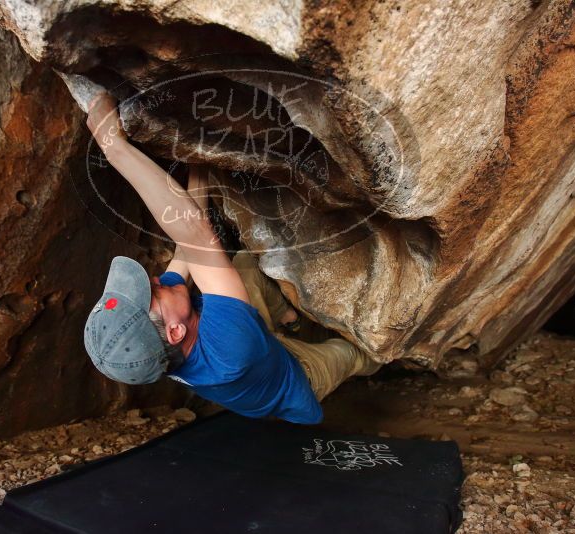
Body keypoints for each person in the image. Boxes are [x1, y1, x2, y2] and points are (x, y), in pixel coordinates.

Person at [79, 87, 380, 424]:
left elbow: (187, 247)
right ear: (176, 332)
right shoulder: (229, 349)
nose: (154, 279)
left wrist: (199, 162)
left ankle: (287, 318)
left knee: (242, 263)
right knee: (349, 353)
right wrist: (114, 147)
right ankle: (383, 362)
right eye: (152, 293)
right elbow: (195, 235)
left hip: (254, 348)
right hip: (298, 375)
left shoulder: (163, 341)